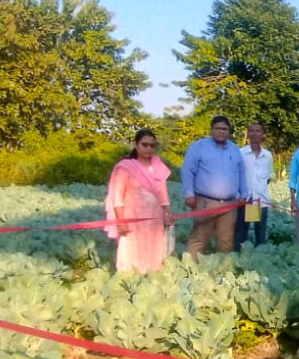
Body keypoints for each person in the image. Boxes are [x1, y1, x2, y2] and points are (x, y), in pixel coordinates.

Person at [105, 130, 174, 273]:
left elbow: (163, 193)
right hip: (132, 219)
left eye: (152, 146)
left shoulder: (158, 166)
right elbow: (117, 196)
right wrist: (120, 221)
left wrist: (168, 213)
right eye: (145, 145)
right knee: (131, 252)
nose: (149, 149)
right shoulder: (126, 167)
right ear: (136, 145)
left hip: (155, 219)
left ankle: (152, 279)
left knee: (154, 250)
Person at [181, 115, 250, 257]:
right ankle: (188, 269)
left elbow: (241, 172)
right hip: (206, 202)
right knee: (199, 238)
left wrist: (244, 194)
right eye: (218, 128)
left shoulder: (234, 149)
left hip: (230, 204)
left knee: (226, 241)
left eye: (225, 129)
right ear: (211, 130)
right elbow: (187, 170)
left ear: (229, 131)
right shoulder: (198, 147)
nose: (221, 131)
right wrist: (189, 194)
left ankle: (223, 271)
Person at [235, 121, 275, 248]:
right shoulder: (240, 153)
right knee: (241, 231)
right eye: (252, 131)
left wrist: (258, 189)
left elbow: (268, 177)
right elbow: (235, 175)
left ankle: (260, 255)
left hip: (260, 200)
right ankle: (238, 255)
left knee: (260, 232)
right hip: (244, 199)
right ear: (248, 134)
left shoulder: (267, 156)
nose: (255, 133)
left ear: (262, 134)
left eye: (258, 131)